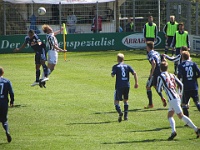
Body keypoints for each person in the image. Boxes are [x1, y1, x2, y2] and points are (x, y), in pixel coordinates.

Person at [157, 61, 200, 140]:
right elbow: (181, 84)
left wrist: (162, 96)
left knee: (181, 116)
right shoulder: (172, 75)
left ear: (160, 68)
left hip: (172, 99)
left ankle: (196, 129)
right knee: (170, 116)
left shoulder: (160, 76)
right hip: (175, 97)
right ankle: (173, 132)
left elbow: (159, 89)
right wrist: (180, 94)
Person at [111, 53, 138, 122]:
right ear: (123, 59)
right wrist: (136, 83)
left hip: (119, 85)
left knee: (116, 101)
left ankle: (120, 112)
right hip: (127, 85)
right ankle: (126, 116)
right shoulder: (128, 66)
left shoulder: (116, 66)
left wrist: (113, 73)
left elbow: (112, 75)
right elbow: (134, 73)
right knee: (125, 100)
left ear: (117, 59)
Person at [178, 51, 200, 118]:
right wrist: (195, 77)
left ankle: (187, 121)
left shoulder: (181, 65)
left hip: (186, 86)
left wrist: (179, 84)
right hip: (194, 86)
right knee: (197, 102)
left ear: (182, 57)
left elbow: (179, 76)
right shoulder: (193, 64)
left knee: (184, 104)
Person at [145, 41, 166, 109]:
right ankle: (162, 97)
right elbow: (163, 60)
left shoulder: (150, 54)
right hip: (160, 71)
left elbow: (153, 63)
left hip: (155, 72)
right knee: (154, 85)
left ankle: (150, 104)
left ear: (148, 47)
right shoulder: (156, 52)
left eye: (146, 47)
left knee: (148, 86)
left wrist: (151, 73)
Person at [0, 67, 14, 143]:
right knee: (4, 120)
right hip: (3, 103)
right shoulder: (7, 81)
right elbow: (11, 92)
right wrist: (12, 101)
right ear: (3, 73)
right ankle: (7, 131)